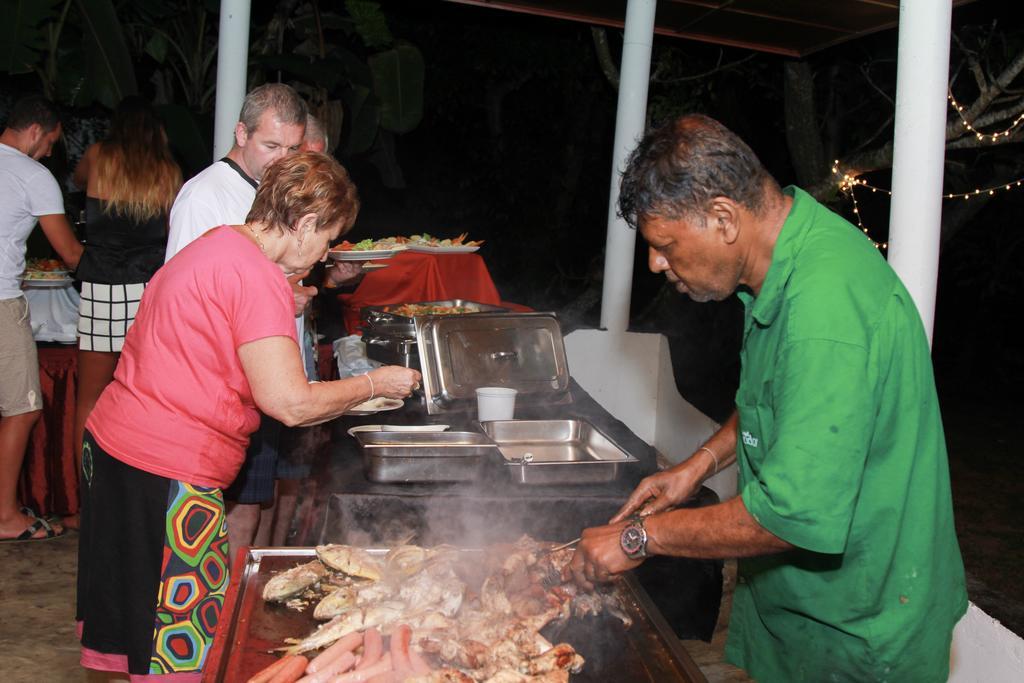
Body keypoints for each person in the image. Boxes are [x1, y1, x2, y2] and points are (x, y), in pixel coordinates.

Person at [568, 114, 967, 681]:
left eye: (664, 245)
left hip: (859, 628)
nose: (656, 264)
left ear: (724, 218)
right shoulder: (785, 258)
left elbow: (791, 516)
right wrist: (698, 465)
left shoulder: (825, 310)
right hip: (801, 604)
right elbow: (777, 398)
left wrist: (639, 537)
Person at [76, 151, 421, 678]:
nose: (325, 255)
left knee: (137, 633)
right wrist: (373, 383)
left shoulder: (219, 245)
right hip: (166, 469)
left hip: (116, 449)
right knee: (181, 649)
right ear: (305, 224)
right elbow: (290, 404)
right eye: (327, 240)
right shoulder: (255, 275)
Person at [165, 83, 360, 563]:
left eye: (292, 149)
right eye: (270, 146)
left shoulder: (270, 191)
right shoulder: (204, 196)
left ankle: (233, 607)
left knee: (255, 503)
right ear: (241, 133)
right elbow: (188, 302)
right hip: (218, 392)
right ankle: (221, 617)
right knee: (225, 516)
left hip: (264, 379)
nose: (281, 160)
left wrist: (301, 290)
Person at [68, 97, 182, 530]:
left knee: (89, 399)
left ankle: (87, 502)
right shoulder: (166, 169)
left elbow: (77, 180)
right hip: (148, 287)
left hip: (101, 285)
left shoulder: (100, 155)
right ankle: (144, 498)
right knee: (148, 394)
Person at [0, 94, 82, 542]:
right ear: (35, 132)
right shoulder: (33, 174)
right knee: (24, 408)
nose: (50, 152)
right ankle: (6, 516)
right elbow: (69, 252)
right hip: (1, 300)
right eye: (50, 142)